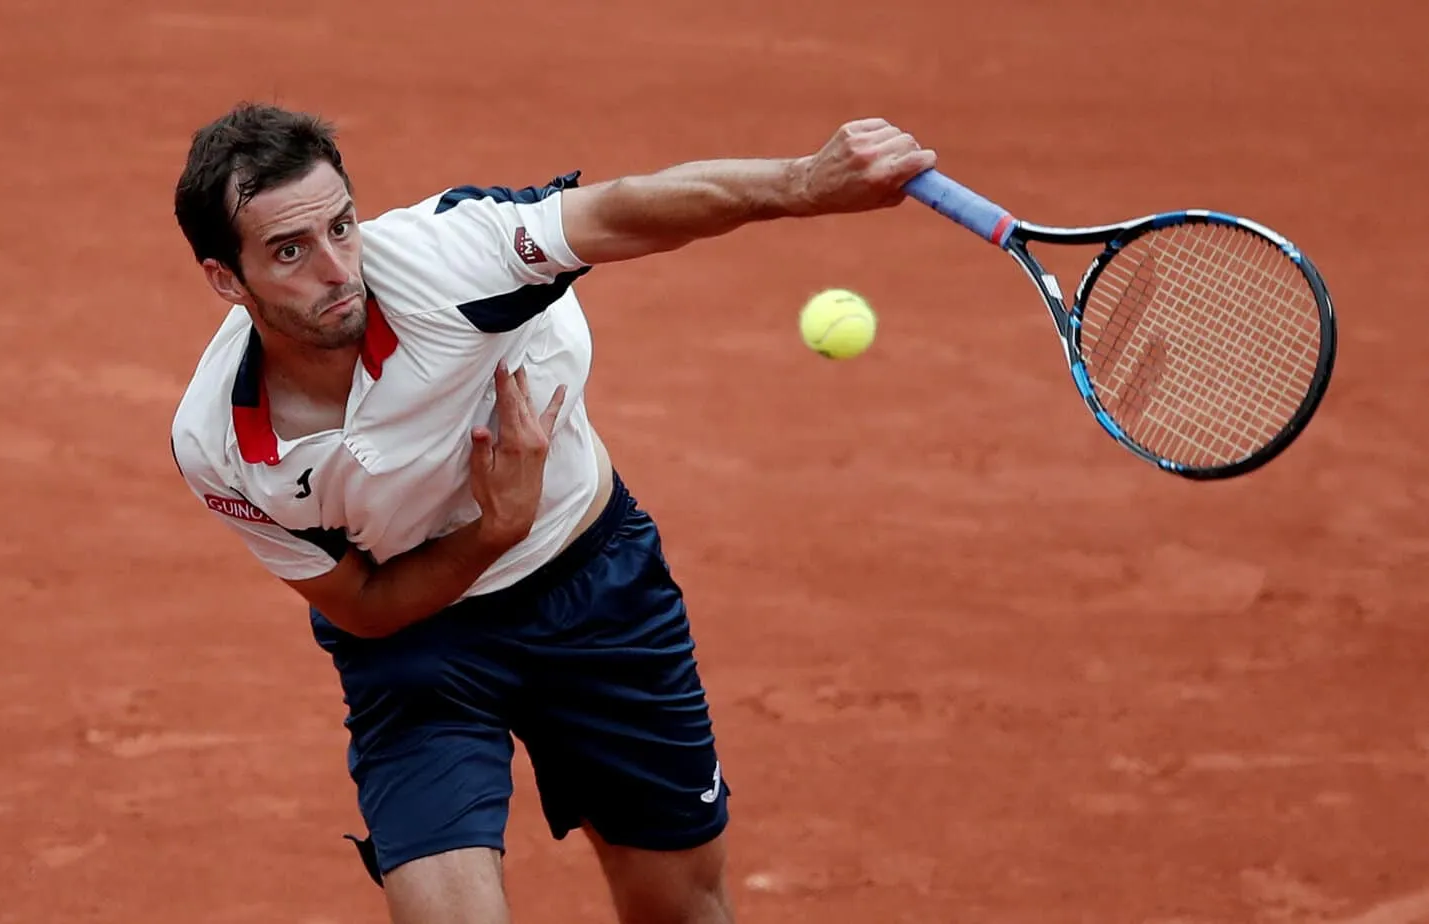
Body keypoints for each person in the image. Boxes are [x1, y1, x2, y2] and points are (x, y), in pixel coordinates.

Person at [168, 101, 936, 924]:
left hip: (596, 597)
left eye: (342, 227)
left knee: (678, 907)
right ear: (225, 279)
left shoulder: (445, 262)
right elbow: (361, 607)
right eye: (290, 251)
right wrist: (494, 528)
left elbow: (616, 208)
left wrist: (801, 183)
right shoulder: (218, 445)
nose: (337, 268)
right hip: (423, 648)